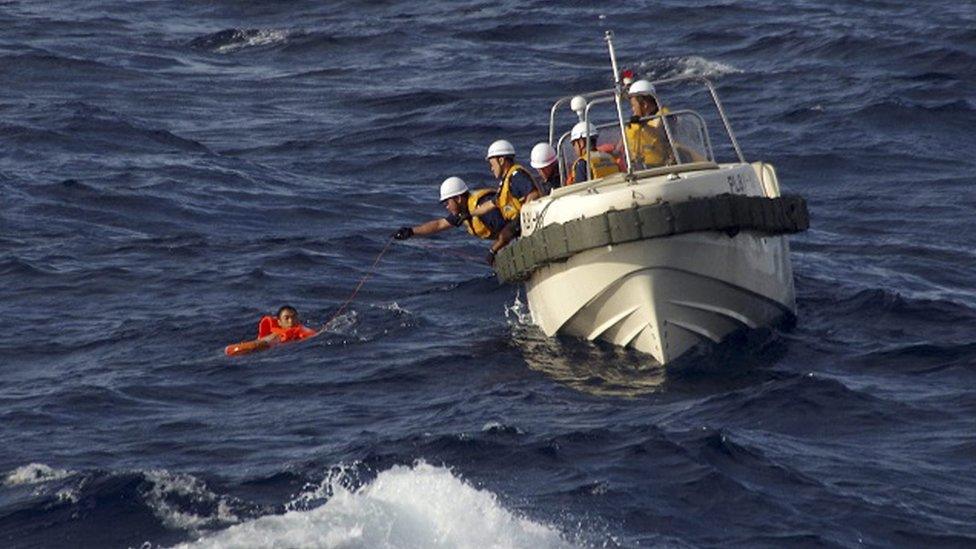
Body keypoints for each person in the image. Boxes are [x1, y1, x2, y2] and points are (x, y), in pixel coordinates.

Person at [393, 176, 514, 265]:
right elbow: (439, 225)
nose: (447, 207)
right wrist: (411, 231)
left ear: (458, 198)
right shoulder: (464, 211)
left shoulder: (483, 209)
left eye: (447, 202)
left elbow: (509, 230)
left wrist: (493, 251)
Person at [621, 79, 674, 169]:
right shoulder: (636, 123)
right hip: (638, 165)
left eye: (634, 106)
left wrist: (641, 124)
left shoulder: (663, 115)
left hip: (661, 165)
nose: (632, 110)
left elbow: (658, 131)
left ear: (644, 104)